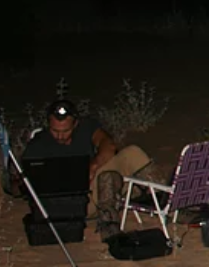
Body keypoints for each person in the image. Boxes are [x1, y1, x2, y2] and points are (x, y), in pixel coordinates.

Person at [21, 99, 157, 238]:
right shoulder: (38, 144)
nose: (60, 136)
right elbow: (21, 182)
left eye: (66, 130)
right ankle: (109, 225)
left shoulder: (85, 128)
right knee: (108, 177)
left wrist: (93, 166)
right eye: (55, 131)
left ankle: (159, 197)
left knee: (131, 153)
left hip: (91, 188)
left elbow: (108, 145)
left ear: (75, 124)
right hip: (68, 205)